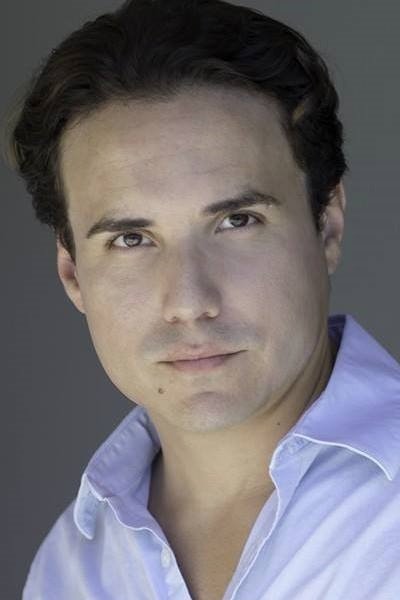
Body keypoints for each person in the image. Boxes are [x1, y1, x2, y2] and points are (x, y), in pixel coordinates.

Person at [4, 0, 399, 598]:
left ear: (328, 226)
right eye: (131, 239)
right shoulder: (70, 569)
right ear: (72, 272)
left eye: (237, 221)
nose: (189, 302)